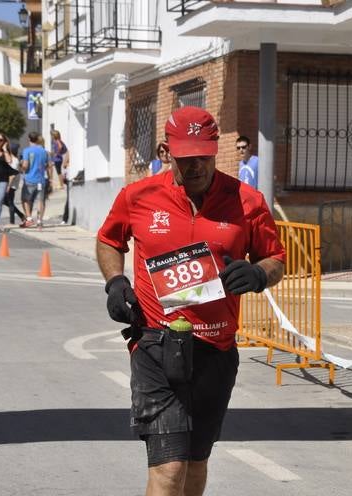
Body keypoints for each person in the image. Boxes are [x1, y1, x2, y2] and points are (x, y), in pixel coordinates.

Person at [96, 106, 285, 496]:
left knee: (196, 463)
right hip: (156, 346)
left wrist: (258, 274)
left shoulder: (247, 201)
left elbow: (276, 258)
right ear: (166, 152)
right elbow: (109, 239)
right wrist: (115, 281)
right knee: (169, 467)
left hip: (215, 349)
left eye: (204, 156)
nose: (196, 166)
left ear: (217, 150)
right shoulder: (138, 196)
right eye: (186, 158)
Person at [20, 131, 51, 229]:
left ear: (29, 139)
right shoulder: (44, 151)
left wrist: (21, 167)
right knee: (41, 201)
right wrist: (49, 177)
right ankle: (39, 221)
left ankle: (29, 219)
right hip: (41, 180)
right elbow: (49, 165)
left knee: (25, 200)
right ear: (38, 139)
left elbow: (25, 165)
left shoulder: (27, 151)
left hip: (29, 179)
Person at [4, 143, 26, 225]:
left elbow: (12, 176)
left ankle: (12, 222)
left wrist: (8, 186)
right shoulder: (13, 159)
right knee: (7, 202)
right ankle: (21, 215)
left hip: (11, 185)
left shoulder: (14, 161)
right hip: (10, 184)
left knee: (10, 202)